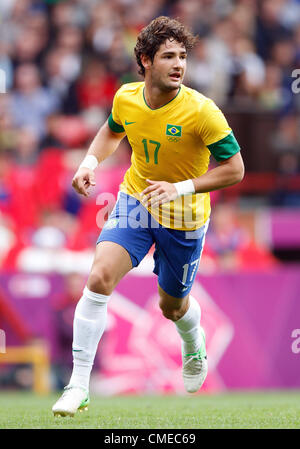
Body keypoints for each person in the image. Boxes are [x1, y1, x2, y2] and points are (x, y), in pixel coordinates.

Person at [52, 16, 244, 417]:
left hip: (185, 217)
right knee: (99, 276)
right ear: (145, 60)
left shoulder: (202, 112)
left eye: (183, 56)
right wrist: (89, 161)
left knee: (171, 306)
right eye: (168, 56)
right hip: (136, 201)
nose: (179, 65)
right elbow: (111, 130)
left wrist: (181, 187)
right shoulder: (126, 97)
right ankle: (78, 386)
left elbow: (235, 169)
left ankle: (193, 341)